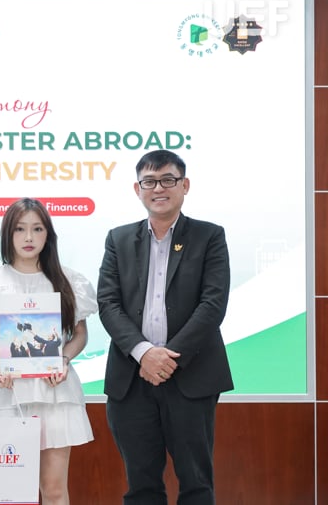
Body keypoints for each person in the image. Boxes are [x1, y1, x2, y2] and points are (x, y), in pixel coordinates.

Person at [97, 149, 233, 505]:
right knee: (141, 487)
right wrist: (145, 354)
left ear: (184, 185)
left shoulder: (209, 236)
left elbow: (213, 304)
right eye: (149, 182)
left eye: (168, 180)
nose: (159, 188)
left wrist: (167, 358)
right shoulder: (118, 239)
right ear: (137, 189)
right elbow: (108, 304)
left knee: (197, 485)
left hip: (191, 377)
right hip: (132, 379)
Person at [0, 197, 97, 505]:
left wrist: (64, 358)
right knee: (8, 492)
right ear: (7, 234)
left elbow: (79, 334)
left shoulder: (68, 280)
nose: (28, 237)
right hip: (7, 392)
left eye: (37, 229)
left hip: (55, 392)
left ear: (48, 235)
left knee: (54, 489)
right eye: (20, 229)